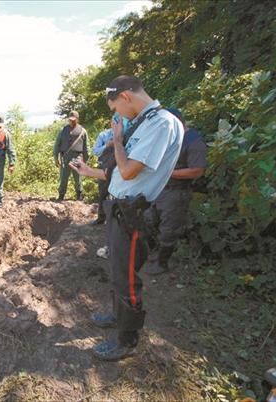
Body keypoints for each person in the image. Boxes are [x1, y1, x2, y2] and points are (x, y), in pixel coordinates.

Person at [69, 75, 183, 361]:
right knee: (118, 270)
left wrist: (118, 140)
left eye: (115, 108)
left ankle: (127, 339)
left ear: (126, 97)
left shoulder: (162, 123)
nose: (117, 115)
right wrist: (88, 172)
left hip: (135, 214)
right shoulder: (144, 122)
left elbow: (129, 170)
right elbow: (118, 171)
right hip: (119, 208)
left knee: (127, 278)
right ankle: (117, 316)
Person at [143, 108, 207, 275]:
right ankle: (155, 254)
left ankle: (162, 263)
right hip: (160, 189)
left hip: (177, 192)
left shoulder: (193, 141)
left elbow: (197, 171)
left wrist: (168, 172)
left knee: (169, 229)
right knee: (149, 220)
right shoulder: (171, 139)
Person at [91, 116, 130, 225]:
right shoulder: (104, 135)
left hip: (121, 167)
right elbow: (95, 151)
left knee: (120, 193)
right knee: (103, 192)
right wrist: (106, 146)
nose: (118, 124)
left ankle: (118, 220)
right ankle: (101, 218)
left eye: (121, 121)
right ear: (111, 123)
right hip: (105, 166)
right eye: (116, 121)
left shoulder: (128, 134)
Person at [53, 110, 89, 201]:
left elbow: (86, 147)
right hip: (65, 157)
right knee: (63, 178)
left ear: (77, 119)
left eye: (74, 120)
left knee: (78, 178)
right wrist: (56, 158)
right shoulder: (63, 130)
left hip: (77, 157)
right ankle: (61, 195)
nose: (72, 122)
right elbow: (57, 144)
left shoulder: (83, 131)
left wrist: (86, 160)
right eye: (70, 120)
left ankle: (79, 195)